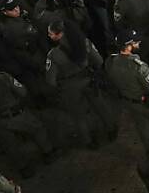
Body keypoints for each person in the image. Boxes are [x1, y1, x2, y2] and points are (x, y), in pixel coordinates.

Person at [44, 19, 118, 147]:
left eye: (51, 33)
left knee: (78, 116)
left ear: (60, 34)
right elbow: (99, 61)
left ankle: (88, 141)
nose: (49, 36)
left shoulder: (53, 54)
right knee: (100, 106)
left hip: (70, 87)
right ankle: (111, 129)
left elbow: (50, 80)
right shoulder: (85, 42)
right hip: (89, 79)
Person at [105, 29, 149, 146]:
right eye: (135, 42)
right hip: (145, 102)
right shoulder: (139, 67)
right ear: (128, 47)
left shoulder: (110, 62)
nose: (138, 43)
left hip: (128, 102)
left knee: (142, 126)